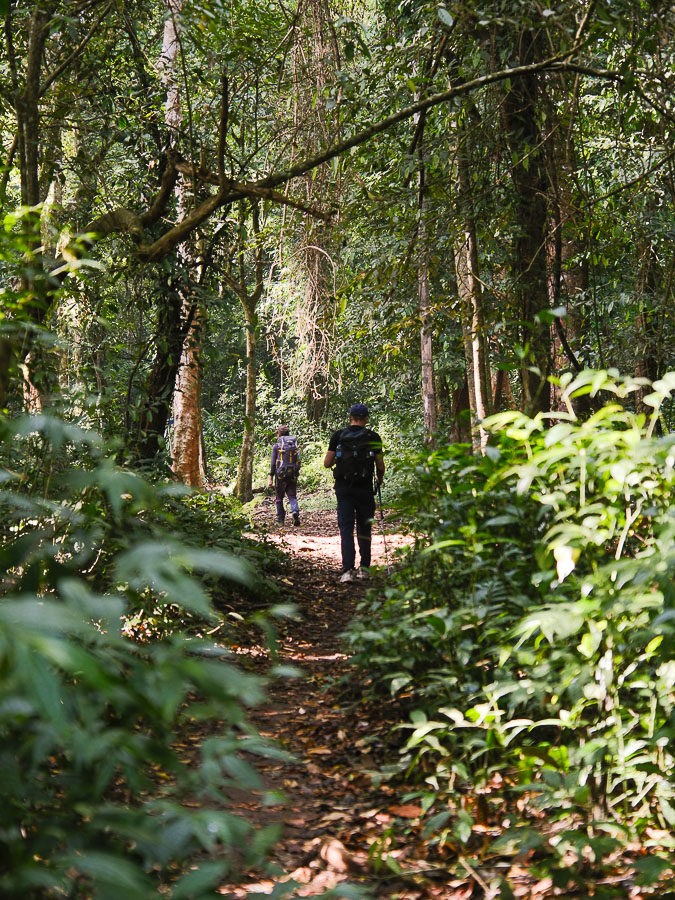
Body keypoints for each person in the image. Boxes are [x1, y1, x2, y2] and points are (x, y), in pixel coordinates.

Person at [323, 404, 385, 583]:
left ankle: (347, 570)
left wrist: (339, 458)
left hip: (344, 489)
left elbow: (327, 463)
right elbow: (380, 466)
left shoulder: (338, 436)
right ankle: (364, 569)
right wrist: (379, 479)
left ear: (350, 418)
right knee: (364, 528)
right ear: (366, 419)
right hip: (365, 489)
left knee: (346, 529)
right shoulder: (373, 437)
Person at [269, 425, 301, 526]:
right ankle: (295, 511)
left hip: (280, 475)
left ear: (279, 434)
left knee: (279, 498)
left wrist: (271, 477)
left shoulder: (277, 446)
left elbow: (273, 464)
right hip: (292, 474)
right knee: (292, 496)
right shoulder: (294, 446)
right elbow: (298, 460)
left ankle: (280, 520)